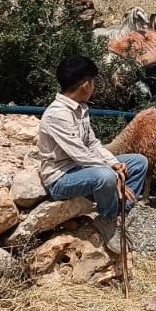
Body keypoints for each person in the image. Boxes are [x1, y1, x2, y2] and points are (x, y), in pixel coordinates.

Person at [37, 55, 148, 252]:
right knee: (104, 176)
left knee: (139, 162)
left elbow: (92, 144)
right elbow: (80, 154)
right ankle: (107, 219)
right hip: (62, 177)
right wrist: (114, 175)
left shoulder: (81, 109)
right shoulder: (57, 114)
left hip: (84, 170)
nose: (93, 86)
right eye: (93, 82)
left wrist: (114, 164)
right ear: (86, 84)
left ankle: (118, 215)